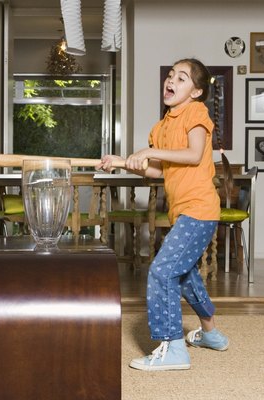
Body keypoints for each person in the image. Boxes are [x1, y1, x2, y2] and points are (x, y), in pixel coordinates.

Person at [97, 58, 228, 371]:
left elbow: (195, 154)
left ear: (196, 92)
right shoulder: (161, 127)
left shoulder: (196, 113)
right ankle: (211, 334)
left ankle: (173, 349)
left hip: (200, 208)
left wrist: (149, 152)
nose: (172, 80)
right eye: (171, 75)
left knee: (161, 271)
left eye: (181, 78)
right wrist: (122, 162)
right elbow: (158, 171)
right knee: (183, 273)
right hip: (183, 211)